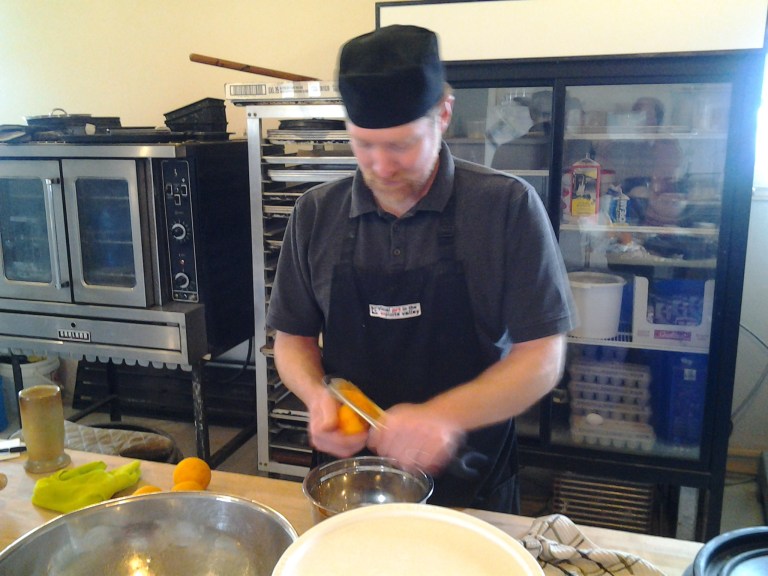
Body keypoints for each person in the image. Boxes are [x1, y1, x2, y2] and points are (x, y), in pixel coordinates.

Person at [267, 24, 577, 513]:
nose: (382, 167)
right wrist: (316, 395)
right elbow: (293, 341)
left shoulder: (507, 207)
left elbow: (542, 358)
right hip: (349, 488)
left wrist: (443, 417)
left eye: (402, 145)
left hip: (472, 487)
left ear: (444, 115)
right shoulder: (314, 214)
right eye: (365, 145)